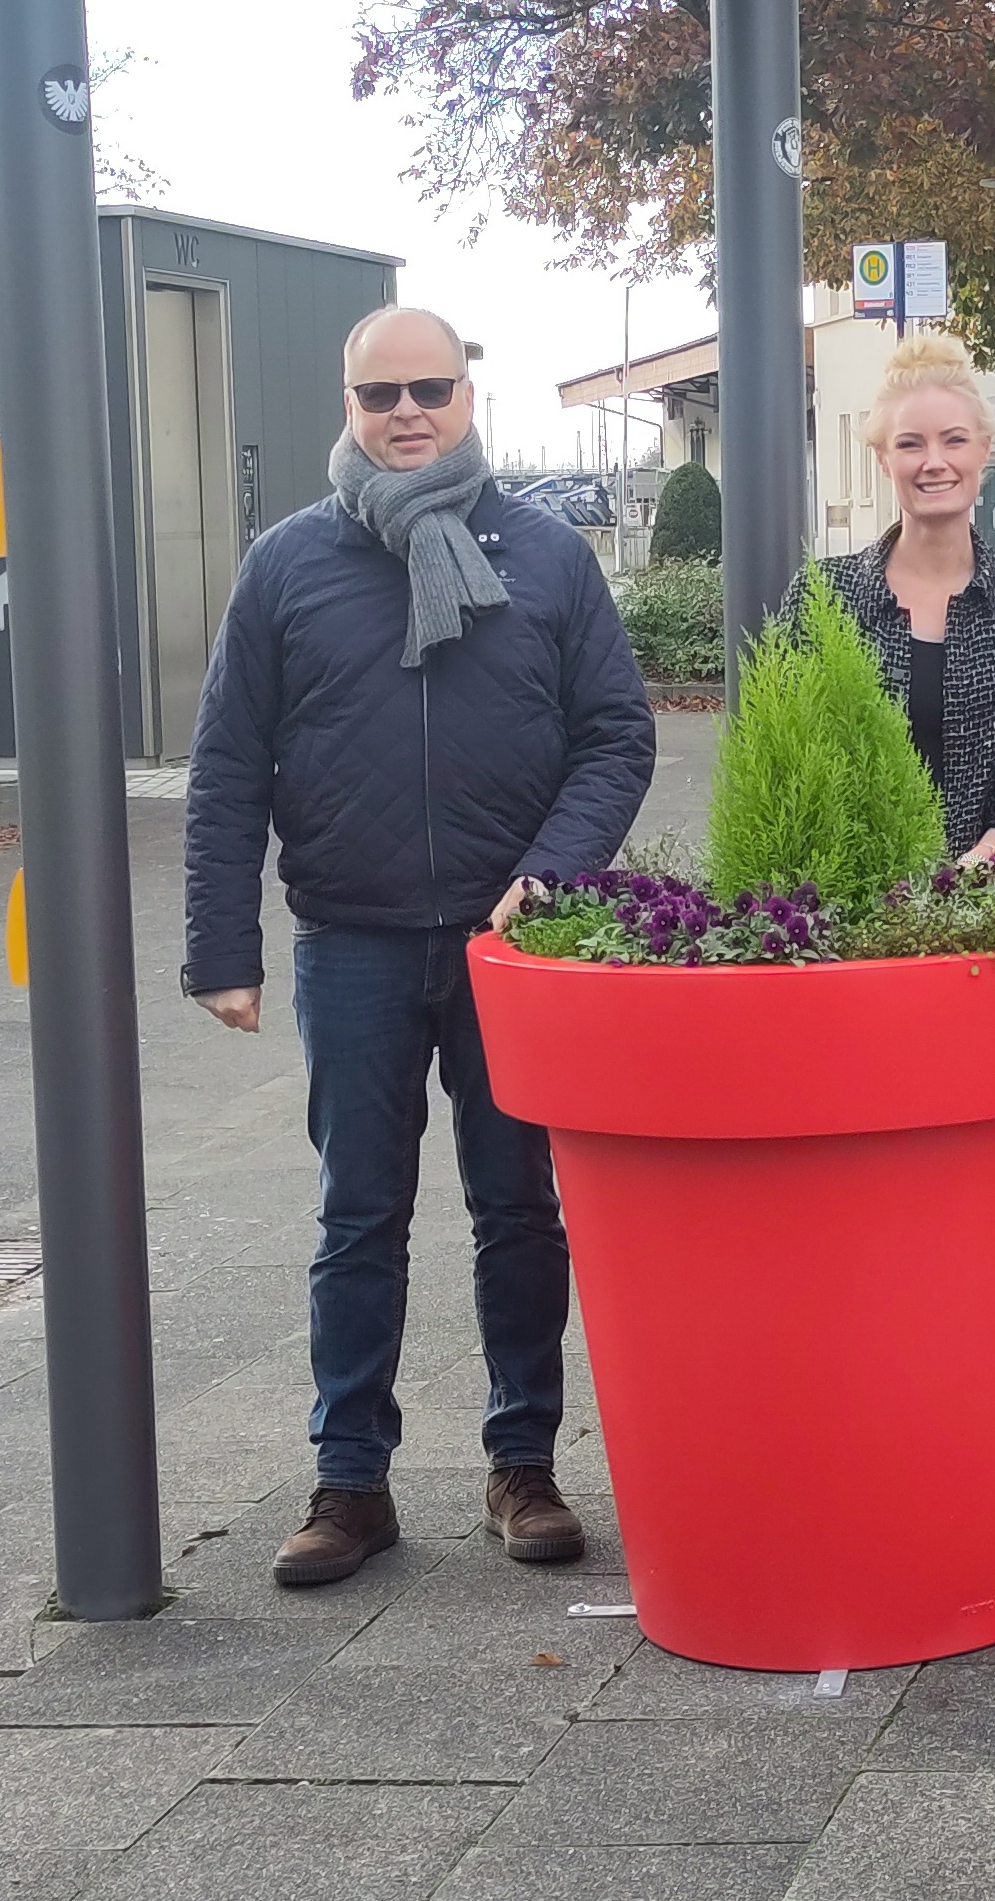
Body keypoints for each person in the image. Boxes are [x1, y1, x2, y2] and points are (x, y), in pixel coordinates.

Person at [184, 305, 657, 1589]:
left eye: (430, 390)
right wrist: (222, 944)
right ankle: (351, 1482)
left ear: (466, 397)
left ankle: (524, 1467)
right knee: (357, 1216)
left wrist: (550, 874)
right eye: (380, 393)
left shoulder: (549, 558)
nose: (406, 412)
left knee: (518, 1208)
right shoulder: (288, 564)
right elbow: (226, 766)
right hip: (353, 943)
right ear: (347, 405)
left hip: (510, 951)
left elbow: (616, 734)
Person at [821, 339, 995, 864]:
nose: (934, 462)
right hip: (852, 908)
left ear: (985, 449)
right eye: (911, 444)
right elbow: (797, 756)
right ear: (883, 458)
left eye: (954, 440)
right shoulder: (828, 597)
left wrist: (984, 860)